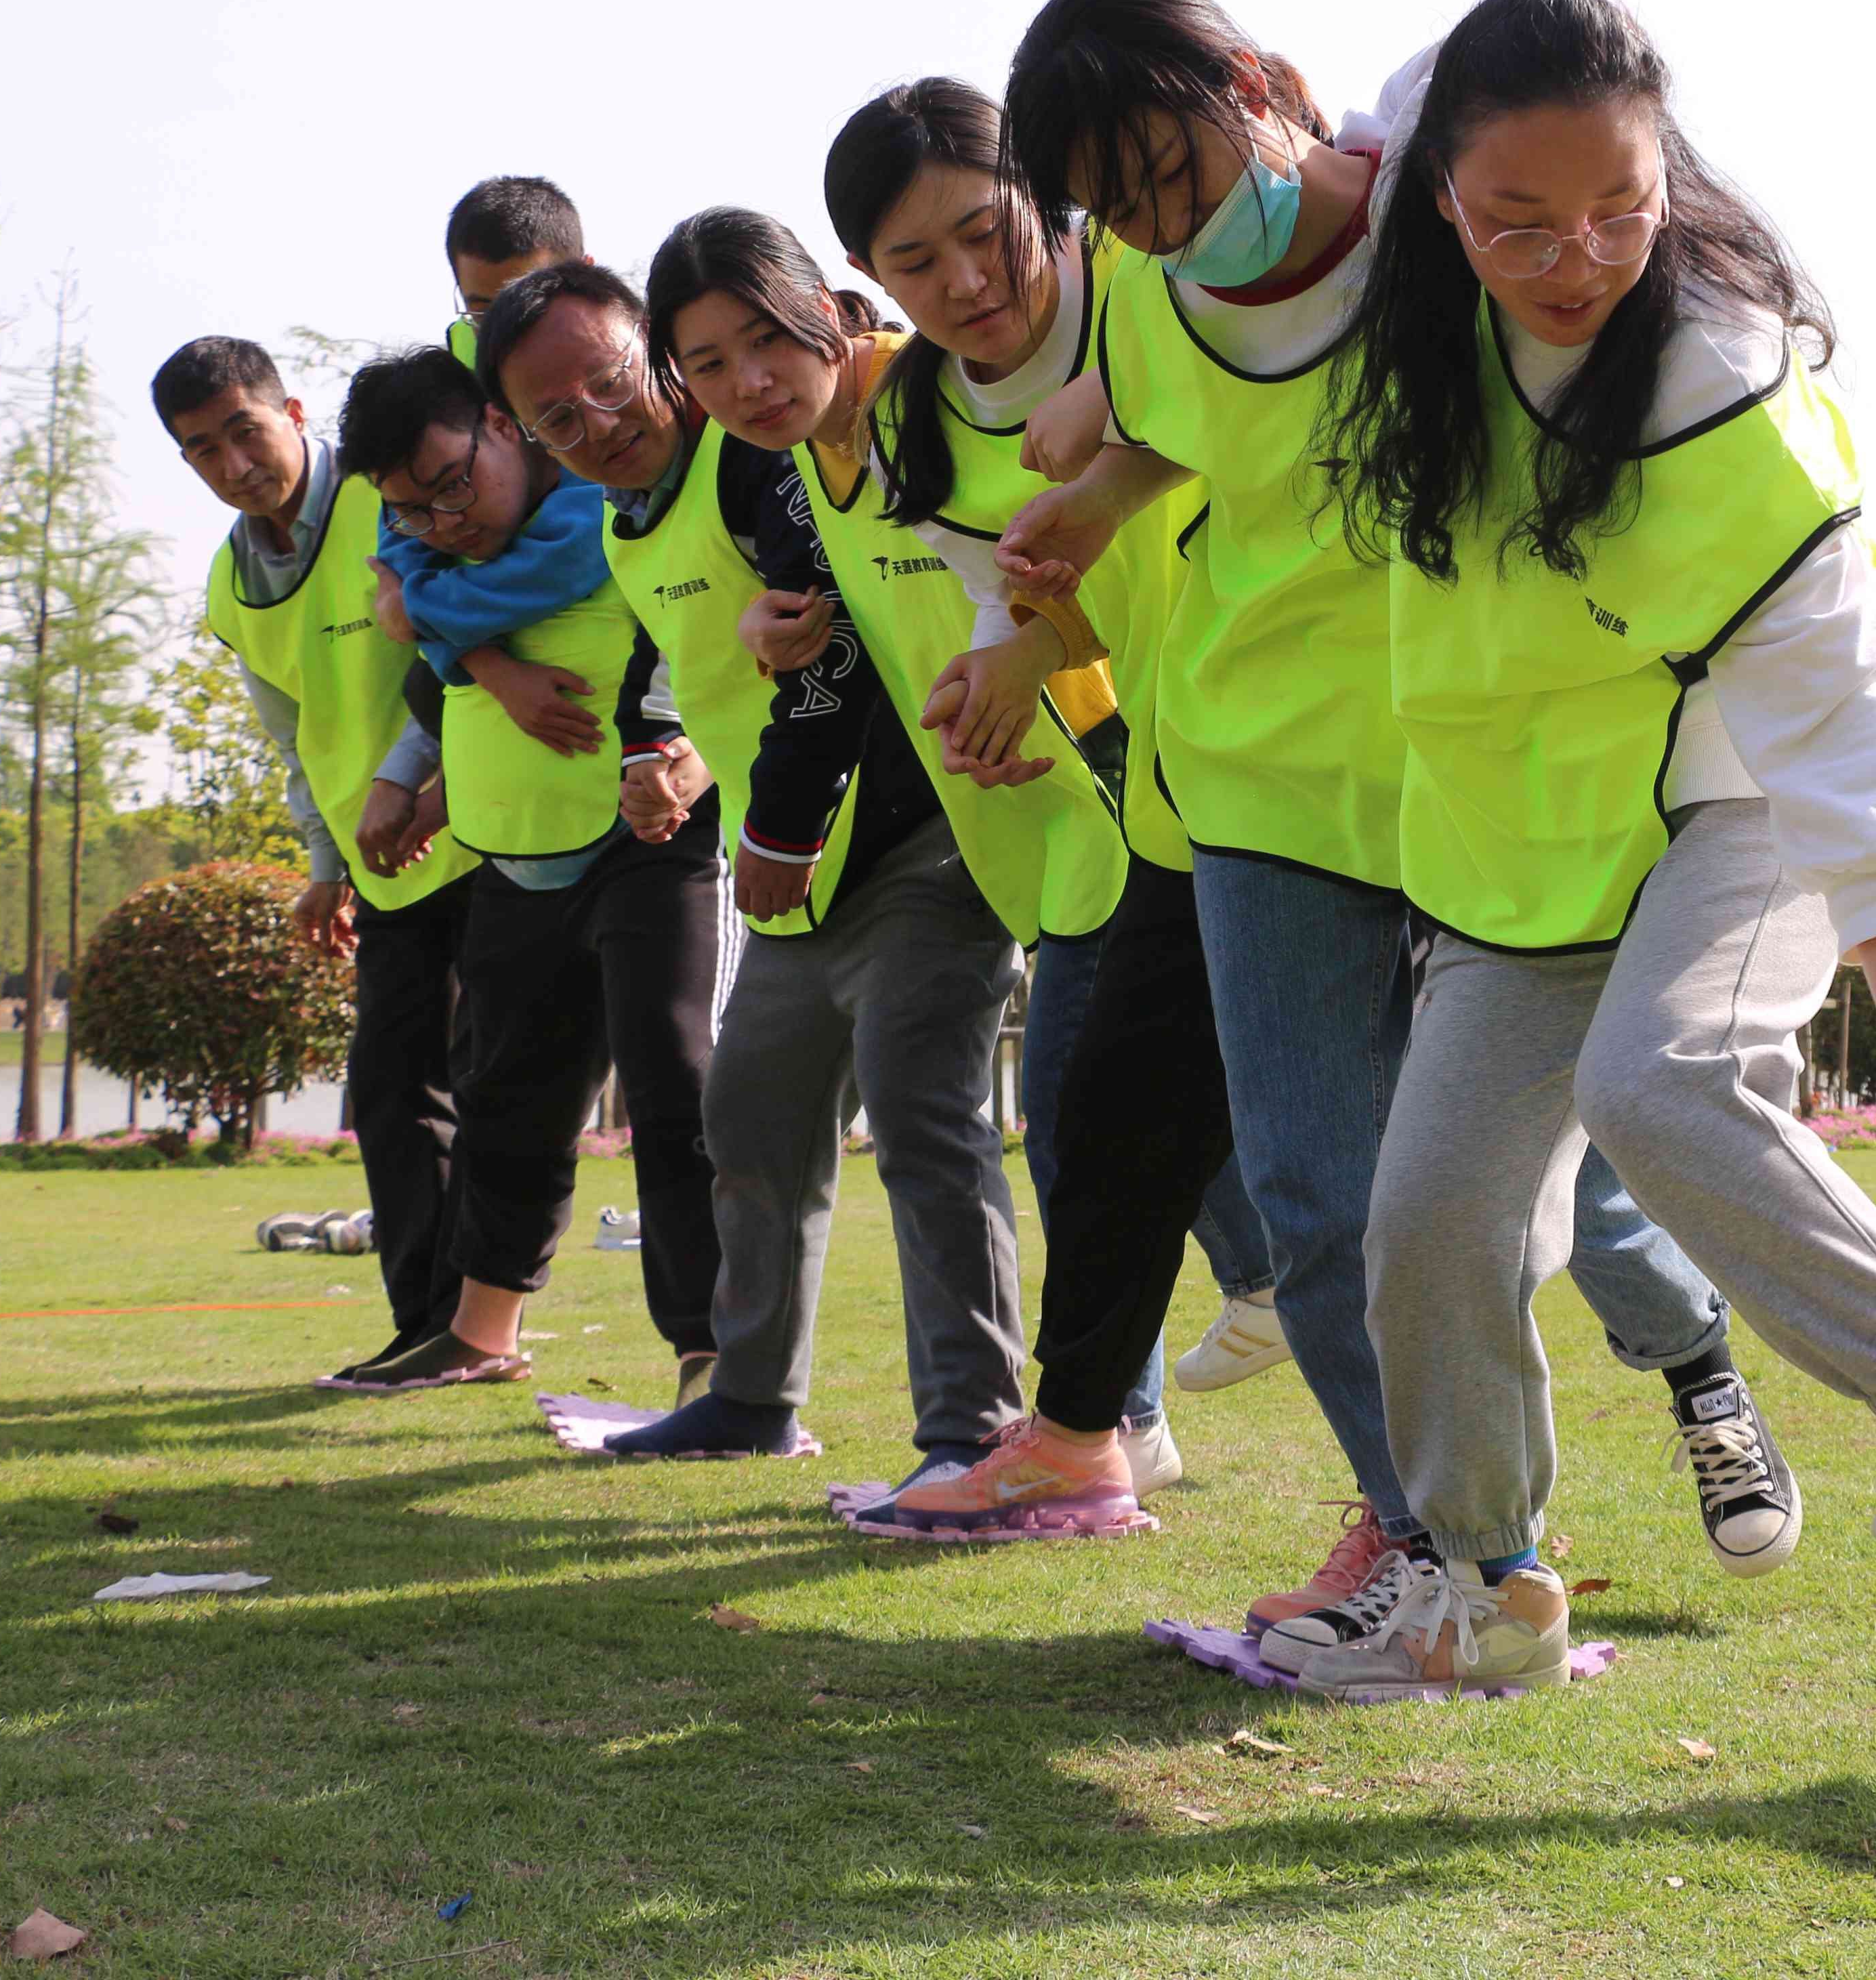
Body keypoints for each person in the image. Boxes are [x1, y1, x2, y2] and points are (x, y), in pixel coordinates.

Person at [1282, 0, 1876, 1693]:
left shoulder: (1724, 394)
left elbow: (1832, 710)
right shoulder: (1405, 312)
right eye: (1517, 220)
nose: (1573, 258)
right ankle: (1484, 1593)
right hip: (1534, 832)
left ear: (1672, 179)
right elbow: (1282, 176)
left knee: (1656, 1083)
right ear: (1439, 199)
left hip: (1742, 787)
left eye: (1620, 209)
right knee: (1427, 1220)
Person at [997, 0, 1797, 1653]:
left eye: (1179, 174)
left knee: (1567, 1186)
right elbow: (1179, 421)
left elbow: (1578, 159)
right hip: (1264, 786)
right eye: (1119, 209)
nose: (1167, 225)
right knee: (1323, 1193)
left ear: (1260, 84)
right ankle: (1446, 1547)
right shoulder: (1144, 296)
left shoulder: (1442, 224)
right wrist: (1084, 500)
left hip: (1482, 771)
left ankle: (1698, 1367)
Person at [488, 241, 1148, 1490]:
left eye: (611, 383)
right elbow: (698, 662)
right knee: (750, 1116)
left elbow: (832, 643)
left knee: (923, 1114)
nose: (594, 424)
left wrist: (778, 829)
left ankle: (972, 1427)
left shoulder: (763, 468)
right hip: (798, 866)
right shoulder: (629, 525)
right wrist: (667, 752)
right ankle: (749, 1396)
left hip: (921, 830)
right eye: (551, 416)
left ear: (649, 361)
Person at [818, 82, 1290, 1410]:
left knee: (1359, 1159)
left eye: (989, 232)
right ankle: (1106, 1435)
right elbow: (1003, 584)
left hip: (1340, 757)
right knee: (1108, 1118)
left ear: (1049, 197)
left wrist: (1118, 430)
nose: (967, 281)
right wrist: (1009, 657)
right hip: (1170, 788)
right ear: (869, 272)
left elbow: (1276, 411)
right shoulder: (921, 420)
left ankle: (1664, 1388)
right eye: (916, 262)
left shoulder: (1165, 277)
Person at [321, 345, 724, 1397]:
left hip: (648, 841)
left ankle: (711, 1351)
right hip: (512, 852)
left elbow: (514, 590)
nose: (445, 521)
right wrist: (477, 665)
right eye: (412, 509)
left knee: (673, 1095)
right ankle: (478, 1328)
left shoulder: (605, 509)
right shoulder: (438, 550)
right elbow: (426, 625)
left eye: (454, 483)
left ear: (504, 426)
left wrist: (427, 610)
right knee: (506, 1101)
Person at [157, 334, 475, 1383]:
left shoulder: (390, 501)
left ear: (292, 412)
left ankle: (482, 1323)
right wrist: (325, 866)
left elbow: (456, 655)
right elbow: (294, 736)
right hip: (383, 866)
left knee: (503, 1082)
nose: (232, 463)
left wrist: (413, 786)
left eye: (243, 430)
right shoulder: (230, 588)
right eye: (201, 449)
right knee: (391, 1090)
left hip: (481, 831)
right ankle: (427, 1324)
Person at [446, 176, 585, 368]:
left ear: (586, 275)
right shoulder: (457, 368)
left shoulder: (632, 355)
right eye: (484, 313)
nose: (507, 338)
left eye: (532, 307)